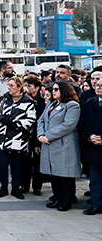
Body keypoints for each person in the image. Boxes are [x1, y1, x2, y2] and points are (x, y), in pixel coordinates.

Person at [0, 77, 37, 199]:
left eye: (11, 85)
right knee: (2, 165)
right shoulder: (3, 99)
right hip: (1, 139)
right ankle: (3, 187)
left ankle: (16, 188)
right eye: (8, 85)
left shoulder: (28, 102)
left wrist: (15, 124)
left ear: (19, 87)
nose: (8, 88)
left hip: (19, 140)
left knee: (17, 166)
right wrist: (2, 119)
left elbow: (31, 120)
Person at [39, 81, 82, 211]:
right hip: (49, 144)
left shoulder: (72, 105)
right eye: (53, 89)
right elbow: (41, 120)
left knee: (65, 174)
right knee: (53, 173)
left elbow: (68, 125)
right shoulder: (51, 104)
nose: (54, 91)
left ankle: (66, 200)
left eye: (56, 89)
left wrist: (48, 135)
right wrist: (40, 135)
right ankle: (56, 197)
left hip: (64, 144)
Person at [79, 81, 102, 215]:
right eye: (97, 85)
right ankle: (96, 204)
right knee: (95, 179)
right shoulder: (88, 103)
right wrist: (89, 136)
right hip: (93, 147)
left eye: (101, 86)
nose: (98, 88)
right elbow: (81, 124)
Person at [21, 76, 46, 195]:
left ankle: (37, 186)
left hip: (38, 135)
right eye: (25, 85)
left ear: (37, 87)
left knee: (37, 162)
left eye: (29, 86)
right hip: (24, 134)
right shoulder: (23, 99)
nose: (27, 88)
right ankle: (24, 185)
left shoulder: (43, 100)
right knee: (24, 162)